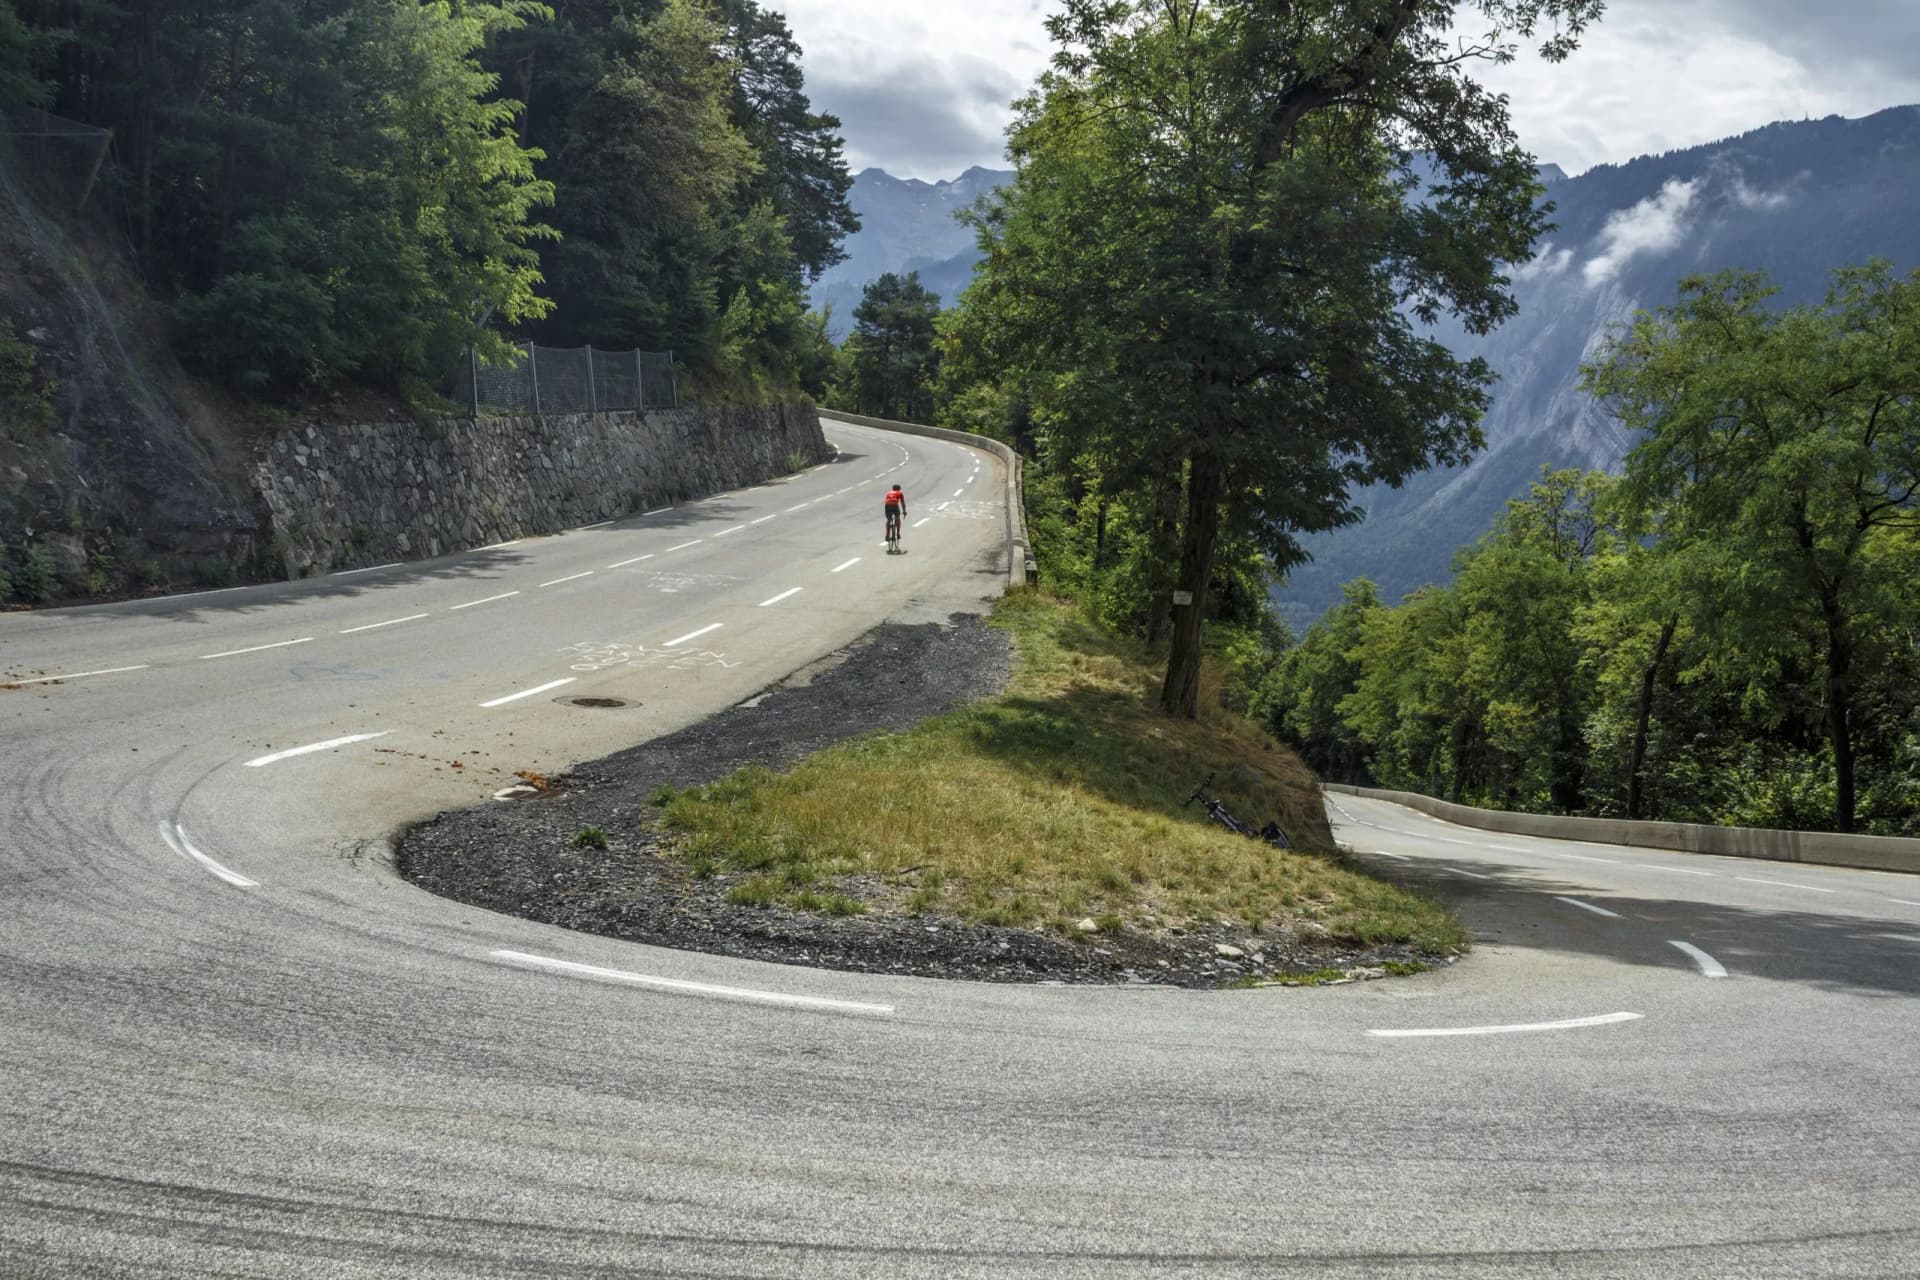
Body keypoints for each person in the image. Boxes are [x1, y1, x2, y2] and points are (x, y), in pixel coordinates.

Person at [883, 483, 906, 548]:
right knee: (897, 517)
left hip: (887, 505)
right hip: (894, 505)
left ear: (892, 488)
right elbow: (903, 503)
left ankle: (887, 535)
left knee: (889, 519)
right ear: (899, 489)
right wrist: (904, 511)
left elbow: (887, 500)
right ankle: (898, 533)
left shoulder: (888, 493)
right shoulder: (900, 493)